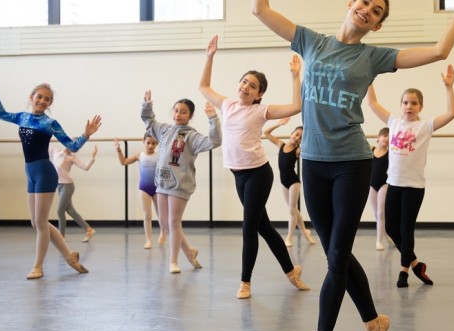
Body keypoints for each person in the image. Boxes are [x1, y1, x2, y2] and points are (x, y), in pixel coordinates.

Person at [253, 0, 454, 331]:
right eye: (365, 3)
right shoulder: (310, 42)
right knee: (338, 254)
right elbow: (260, 9)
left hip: (352, 164)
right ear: (350, 4)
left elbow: (438, 51)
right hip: (312, 162)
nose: (368, 11)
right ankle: (374, 323)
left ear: (376, 26)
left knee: (337, 254)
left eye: (376, 12)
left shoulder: (373, 56)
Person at [199, 35, 310, 299]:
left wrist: (295, 77)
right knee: (264, 227)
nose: (246, 87)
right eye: (244, 82)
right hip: (238, 175)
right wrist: (210, 57)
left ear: (259, 94)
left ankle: (245, 282)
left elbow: (296, 106)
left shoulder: (261, 111)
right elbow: (203, 86)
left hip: (258, 174)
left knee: (249, 226)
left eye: (253, 86)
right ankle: (291, 271)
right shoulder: (227, 105)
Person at [0, 72, 100, 279]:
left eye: (47, 99)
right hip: (30, 171)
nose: (42, 101)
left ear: (50, 103)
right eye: (39, 96)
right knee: (36, 222)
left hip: (45, 173)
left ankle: (38, 266)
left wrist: (86, 134)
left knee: (40, 222)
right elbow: (1, 114)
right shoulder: (22, 117)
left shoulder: (50, 123)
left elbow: (72, 145)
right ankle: (69, 256)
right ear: (32, 97)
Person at [366, 65, 454, 288]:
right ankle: (417, 264)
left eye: (414, 103)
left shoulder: (425, 126)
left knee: (406, 228)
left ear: (420, 107)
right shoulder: (393, 122)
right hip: (393, 183)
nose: (409, 106)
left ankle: (404, 271)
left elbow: (452, 113)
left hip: (414, 186)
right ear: (401, 105)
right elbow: (372, 103)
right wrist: (368, 77)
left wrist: (449, 87)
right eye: (406, 102)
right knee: (390, 228)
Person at [142, 91, 221, 274]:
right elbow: (148, 122)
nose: (178, 114)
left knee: (174, 221)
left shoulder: (191, 136)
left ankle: (173, 261)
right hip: (162, 182)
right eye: (176, 110)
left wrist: (212, 119)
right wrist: (147, 105)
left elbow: (215, 141)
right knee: (165, 222)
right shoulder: (164, 130)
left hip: (179, 185)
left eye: (183, 112)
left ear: (190, 116)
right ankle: (189, 251)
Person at [263, 118, 317, 247]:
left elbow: (311, 146)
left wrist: (309, 134)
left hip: (294, 182)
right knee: (294, 210)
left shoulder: (298, 151)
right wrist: (277, 124)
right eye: (297, 134)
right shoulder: (280, 145)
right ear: (292, 133)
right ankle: (305, 232)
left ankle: (289, 238)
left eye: (301, 138)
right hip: (284, 182)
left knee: (292, 210)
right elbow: (266, 133)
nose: (297, 138)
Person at [114, 134, 167, 249]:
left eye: (153, 143)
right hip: (144, 188)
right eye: (148, 143)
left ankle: (163, 232)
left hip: (157, 189)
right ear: (143, 141)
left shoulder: (159, 156)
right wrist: (119, 150)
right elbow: (123, 162)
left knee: (161, 214)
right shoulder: (139, 156)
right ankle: (148, 240)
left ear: (157, 144)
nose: (151, 146)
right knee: (147, 215)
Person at [50, 143, 97, 242]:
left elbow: (86, 167)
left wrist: (92, 156)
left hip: (68, 186)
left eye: (75, 147)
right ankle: (88, 230)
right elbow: (44, 145)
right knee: (70, 211)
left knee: (60, 211)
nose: (72, 147)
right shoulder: (55, 151)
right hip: (59, 185)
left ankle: (61, 237)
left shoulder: (71, 157)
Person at [368, 127, 392, 250]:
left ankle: (379, 241)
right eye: (384, 135)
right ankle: (387, 235)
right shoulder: (370, 149)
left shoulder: (390, 153)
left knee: (381, 213)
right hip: (371, 184)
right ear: (379, 137)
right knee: (376, 214)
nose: (386, 139)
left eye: (389, 137)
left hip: (384, 184)